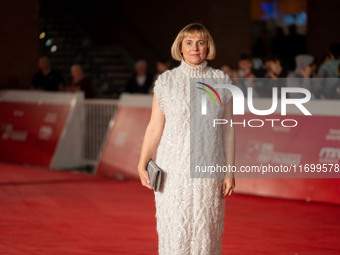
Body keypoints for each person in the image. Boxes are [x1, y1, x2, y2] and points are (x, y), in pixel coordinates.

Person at [137, 23, 235, 255]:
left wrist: (229, 171)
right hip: (172, 170)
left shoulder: (221, 81)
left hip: (208, 168)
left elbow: (228, 130)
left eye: (201, 42)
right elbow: (154, 127)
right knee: (174, 229)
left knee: (206, 230)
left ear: (208, 47)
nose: (195, 48)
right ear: (180, 47)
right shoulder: (166, 82)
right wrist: (142, 163)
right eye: (189, 42)